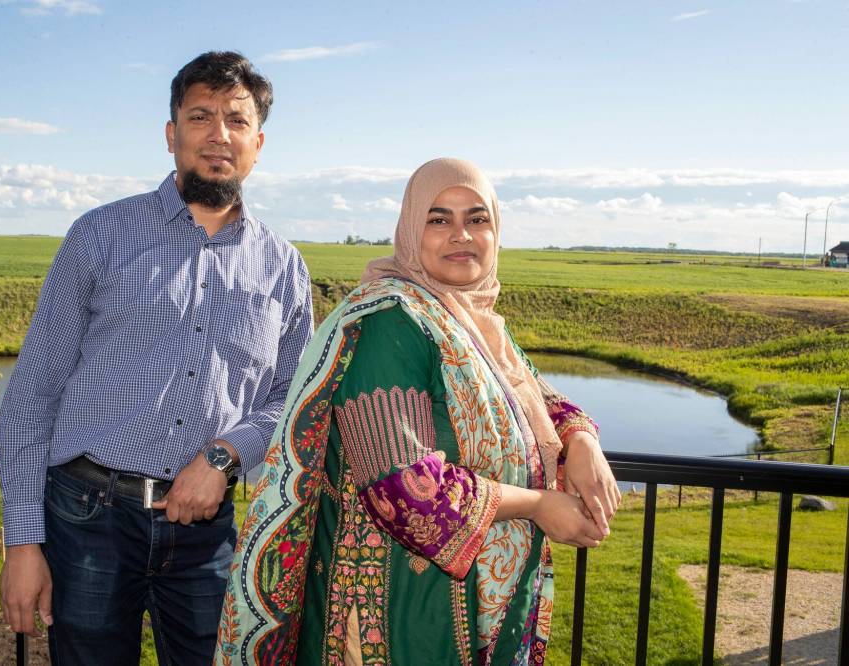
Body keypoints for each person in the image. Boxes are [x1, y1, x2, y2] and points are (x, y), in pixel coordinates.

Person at [214, 158, 619, 665]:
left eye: (477, 219)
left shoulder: (475, 321)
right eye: (438, 219)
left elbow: (533, 397)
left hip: (482, 598)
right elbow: (402, 487)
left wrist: (581, 439)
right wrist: (539, 504)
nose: (461, 235)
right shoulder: (393, 322)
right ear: (410, 230)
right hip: (398, 609)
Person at [0, 51, 313, 666]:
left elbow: (292, 403)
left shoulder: (283, 267)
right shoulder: (99, 236)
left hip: (206, 531)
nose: (219, 134)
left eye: (236, 120)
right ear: (171, 134)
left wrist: (223, 457)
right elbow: (35, 391)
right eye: (200, 116)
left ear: (259, 142)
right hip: (87, 518)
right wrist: (23, 542)